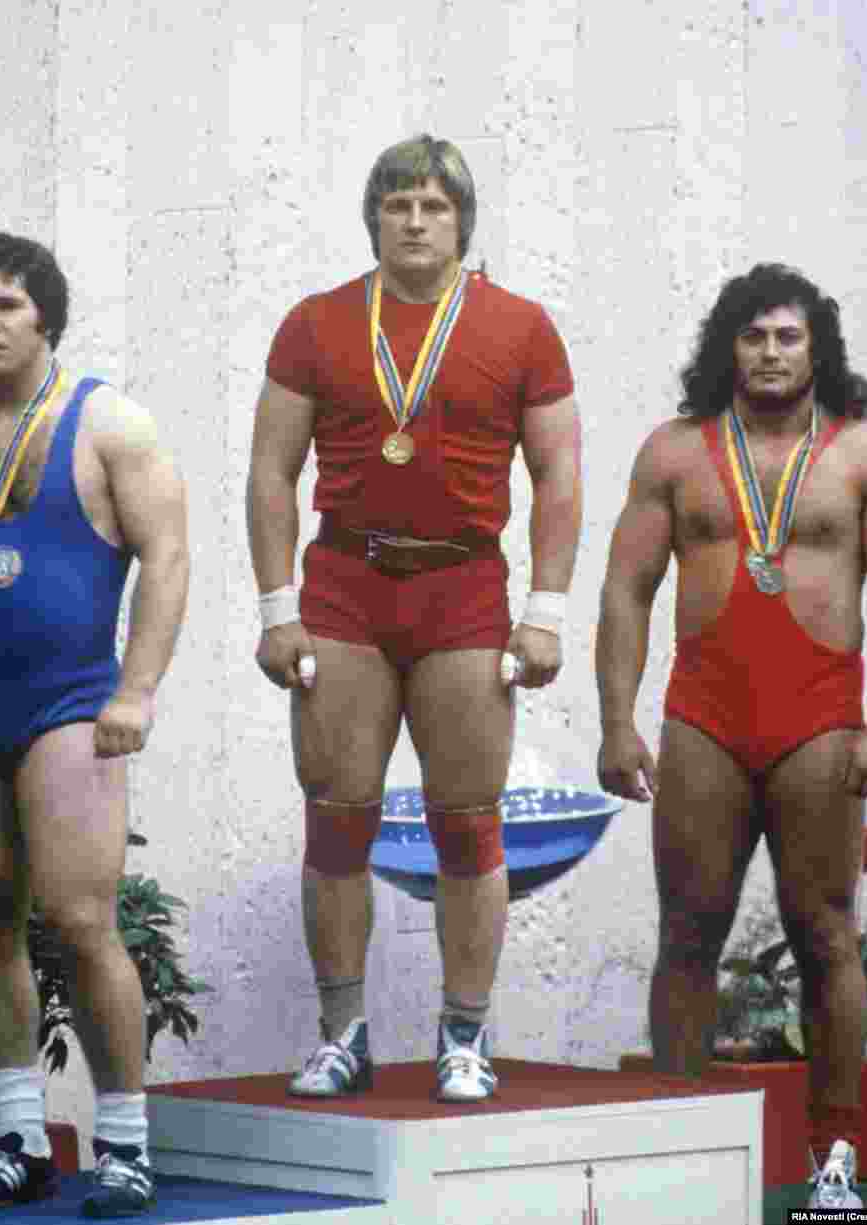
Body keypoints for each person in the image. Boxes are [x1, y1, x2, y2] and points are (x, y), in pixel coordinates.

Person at [247, 134, 581, 1102]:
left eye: (434, 204)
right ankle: (341, 1032)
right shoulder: (315, 322)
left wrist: (545, 611)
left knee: (468, 822)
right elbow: (271, 470)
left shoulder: (520, 326)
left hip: (464, 591)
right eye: (397, 203)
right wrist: (278, 610)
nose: (415, 220)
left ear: (462, 220)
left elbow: (557, 472)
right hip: (346, 586)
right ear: (373, 217)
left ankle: (463, 1034)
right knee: (338, 816)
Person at [596, 263, 867, 1211]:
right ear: (728, 347)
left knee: (825, 933)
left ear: (816, 346)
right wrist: (618, 720)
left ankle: (835, 1158)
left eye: (788, 336)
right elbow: (626, 592)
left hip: (822, 721)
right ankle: (675, 1142)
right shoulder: (674, 452)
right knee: (687, 930)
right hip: (703, 717)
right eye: (754, 336)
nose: (772, 352)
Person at [0, 233, 189, 1215]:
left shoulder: (107, 423)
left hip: (73, 701)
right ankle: (18, 1138)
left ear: (46, 317)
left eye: (8, 306)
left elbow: (166, 557)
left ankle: (123, 1143)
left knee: (80, 919)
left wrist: (138, 690)